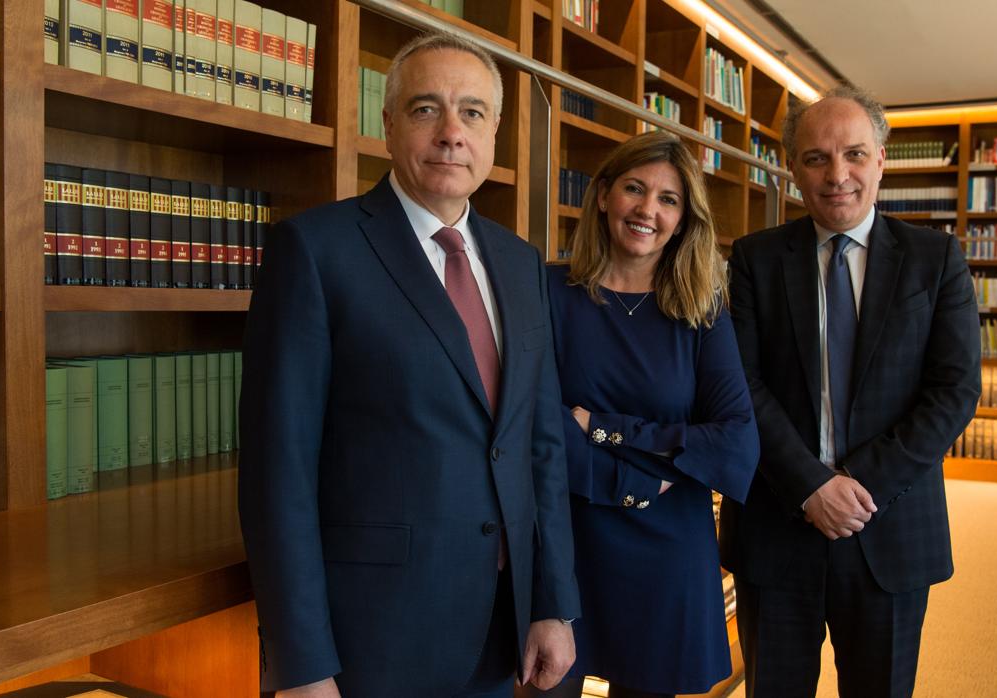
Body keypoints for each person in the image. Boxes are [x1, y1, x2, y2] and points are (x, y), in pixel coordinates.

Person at [238, 32, 579, 698]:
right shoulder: (314, 250)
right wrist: (301, 663)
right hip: (368, 640)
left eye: (473, 112)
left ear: (495, 132)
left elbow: (541, 447)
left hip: (496, 632)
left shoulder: (520, 263)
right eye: (427, 109)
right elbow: (277, 472)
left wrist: (552, 602)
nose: (452, 132)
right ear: (388, 124)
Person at [722, 85, 981, 698]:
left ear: (881, 159)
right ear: (792, 167)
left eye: (855, 154)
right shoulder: (755, 259)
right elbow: (740, 384)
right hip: (777, 523)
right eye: (816, 158)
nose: (837, 175)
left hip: (890, 526)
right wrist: (812, 486)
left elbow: (954, 389)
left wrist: (858, 487)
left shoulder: (935, 258)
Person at [519, 130, 759, 698]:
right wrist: (637, 480)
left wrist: (603, 427)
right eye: (634, 188)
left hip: (666, 551)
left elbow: (734, 441)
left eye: (668, 199)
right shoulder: (546, 290)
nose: (648, 209)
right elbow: (534, 422)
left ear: (684, 218)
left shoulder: (702, 309)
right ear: (603, 194)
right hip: (563, 543)